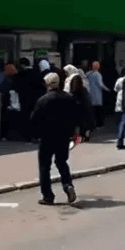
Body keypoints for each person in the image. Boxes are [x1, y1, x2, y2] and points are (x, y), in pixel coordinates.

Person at [30, 72, 82, 206]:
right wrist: (76, 134)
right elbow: (77, 117)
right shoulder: (69, 98)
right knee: (62, 162)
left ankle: (48, 196)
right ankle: (67, 185)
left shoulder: (43, 100)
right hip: (64, 136)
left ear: (47, 83)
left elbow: (34, 119)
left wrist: (35, 135)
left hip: (46, 137)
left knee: (44, 166)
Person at [68, 75, 95, 142]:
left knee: (76, 126)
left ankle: (77, 137)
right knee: (84, 124)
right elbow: (87, 100)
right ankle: (85, 136)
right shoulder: (84, 90)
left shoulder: (72, 91)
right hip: (84, 110)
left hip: (75, 110)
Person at [86, 61, 110, 128]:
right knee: (98, 111)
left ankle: (91, 123)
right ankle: (99, 124)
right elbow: (100, 84)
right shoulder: (97, 74)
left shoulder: (87, 74)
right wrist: (107, 89)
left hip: (90, 94)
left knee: (91, 111)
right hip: (97, 95)